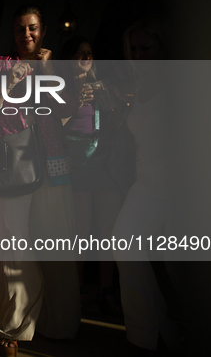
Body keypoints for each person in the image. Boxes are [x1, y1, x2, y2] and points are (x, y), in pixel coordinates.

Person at [0, 5, 80, 357]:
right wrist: (10, 81)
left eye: (33, 28)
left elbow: (69, 107)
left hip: (53, 164)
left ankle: (61, 322)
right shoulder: (1, 65)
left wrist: (49, 71)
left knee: (57, 247)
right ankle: (13, 327)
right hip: (15, 166)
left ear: (44, 30)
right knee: (13, 248)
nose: (27, 35)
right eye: (20, 29)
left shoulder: (55, 67)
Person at [112, 16, 183, 354]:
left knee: (175, 265)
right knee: (124, 243)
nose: (138, 55)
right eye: (134, 49)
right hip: (146, 184)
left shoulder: (180, 86)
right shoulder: (137, 86)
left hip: (182, 187)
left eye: (146, 48)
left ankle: (173, 335)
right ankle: (142, 335)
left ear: (163, 49)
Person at [58, 36, 125, 316]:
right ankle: (78, 290)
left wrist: (116, 103)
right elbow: (54, 126)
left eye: (89, 52)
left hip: (104, 163)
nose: (85, 57)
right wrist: (76, 102)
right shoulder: (61, 88)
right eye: (80, 52)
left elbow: (117, 121)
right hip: (78, 165)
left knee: (107, 233)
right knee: (81, 234)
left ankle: (107, 289)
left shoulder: (100, 86)